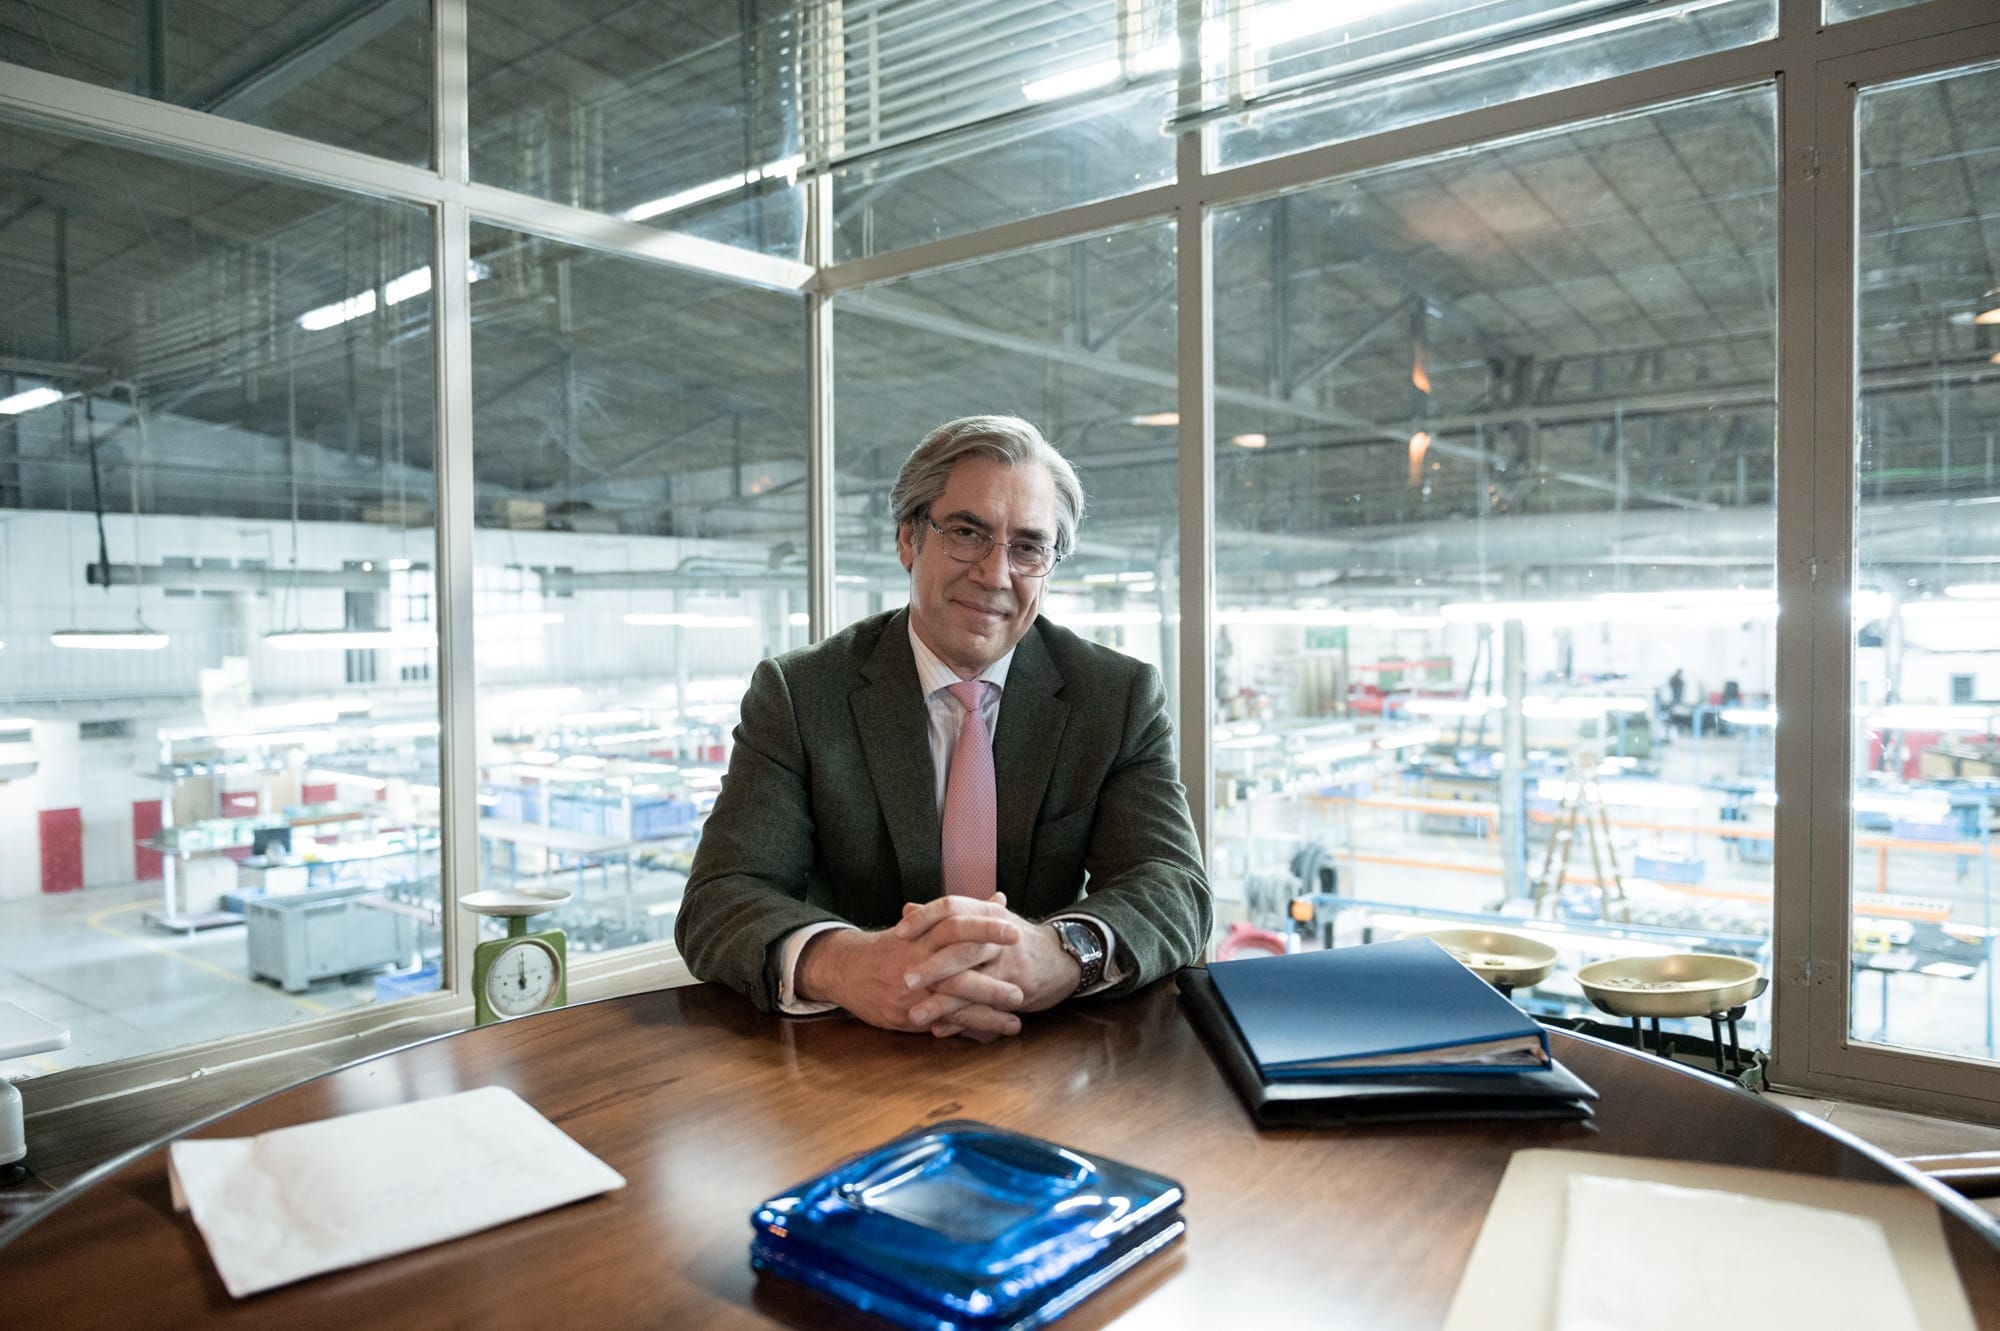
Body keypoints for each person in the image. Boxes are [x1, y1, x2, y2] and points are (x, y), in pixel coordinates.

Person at [674, 416, 1211, 1041]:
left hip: (1049, 1051)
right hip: (850, 1057)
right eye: (966, 532)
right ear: (908, 539)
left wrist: (1064, 952)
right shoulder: (800, 695)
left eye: (1028, 547)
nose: (995, 574)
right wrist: (845, 964)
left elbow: (1175, 886)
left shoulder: (1115, 697)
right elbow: (720, 898)